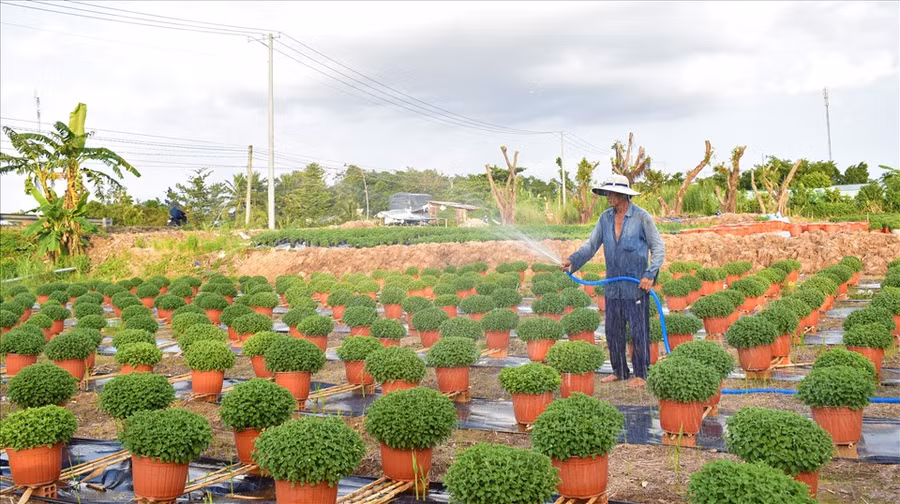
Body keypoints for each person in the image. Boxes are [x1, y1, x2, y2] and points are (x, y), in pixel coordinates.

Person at [560, 174, 665, 388]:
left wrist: (650, 274)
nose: (608, 196)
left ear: (623, 194)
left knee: (638, 331)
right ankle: (619, 370)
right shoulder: (605, 218)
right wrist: (572, 260)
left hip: (635, 287)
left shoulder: (641, 217)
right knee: (613, 330)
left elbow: (658, 247)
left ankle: (641, 374)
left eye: (612, 192)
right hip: (613, 287)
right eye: (606, 192)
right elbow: (591, 246)